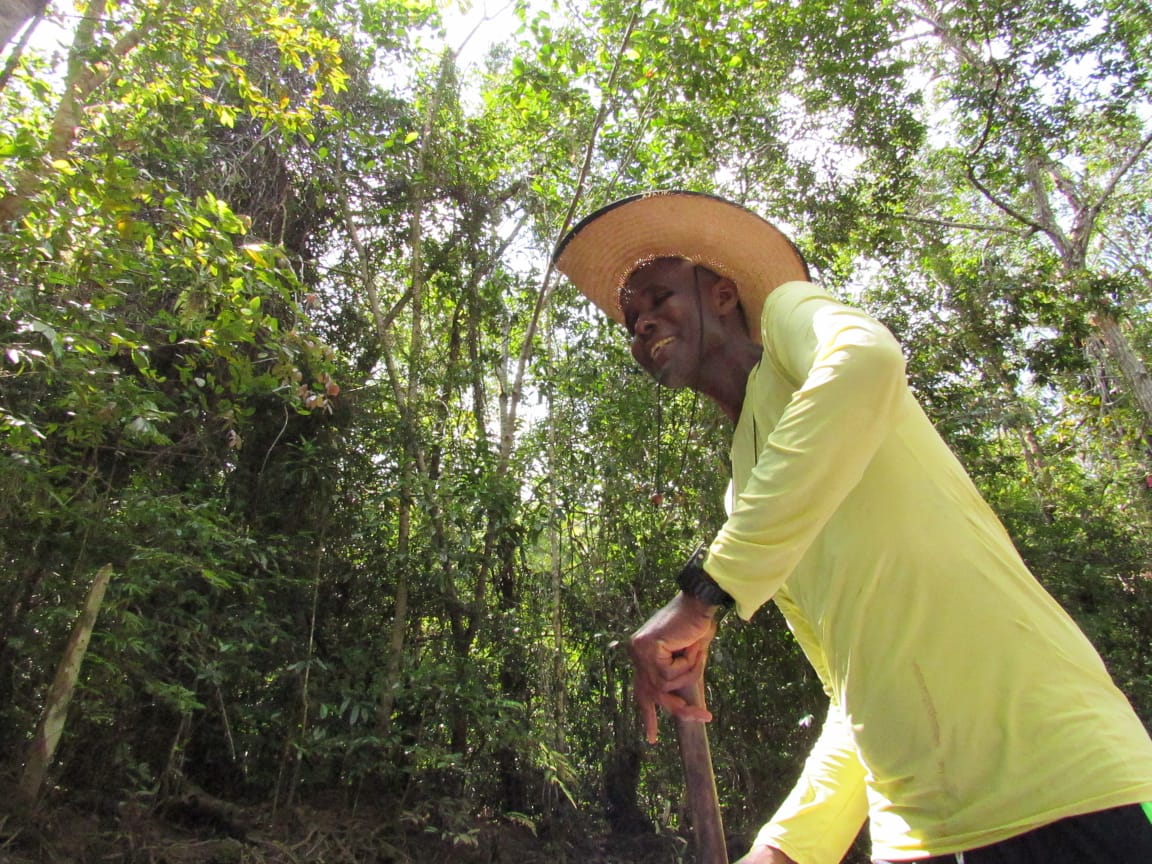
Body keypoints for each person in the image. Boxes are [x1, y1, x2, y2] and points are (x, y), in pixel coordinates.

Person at [551, 190, 1152, 864]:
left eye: (658, 297)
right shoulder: (746, 492)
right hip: (919, 834)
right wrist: (785, 851)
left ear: (721, 295)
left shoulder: (787, 318)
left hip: (1067, 789)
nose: (640, 325)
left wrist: (707, 590)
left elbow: (866, 363)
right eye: (630, 320)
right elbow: (855, 689)